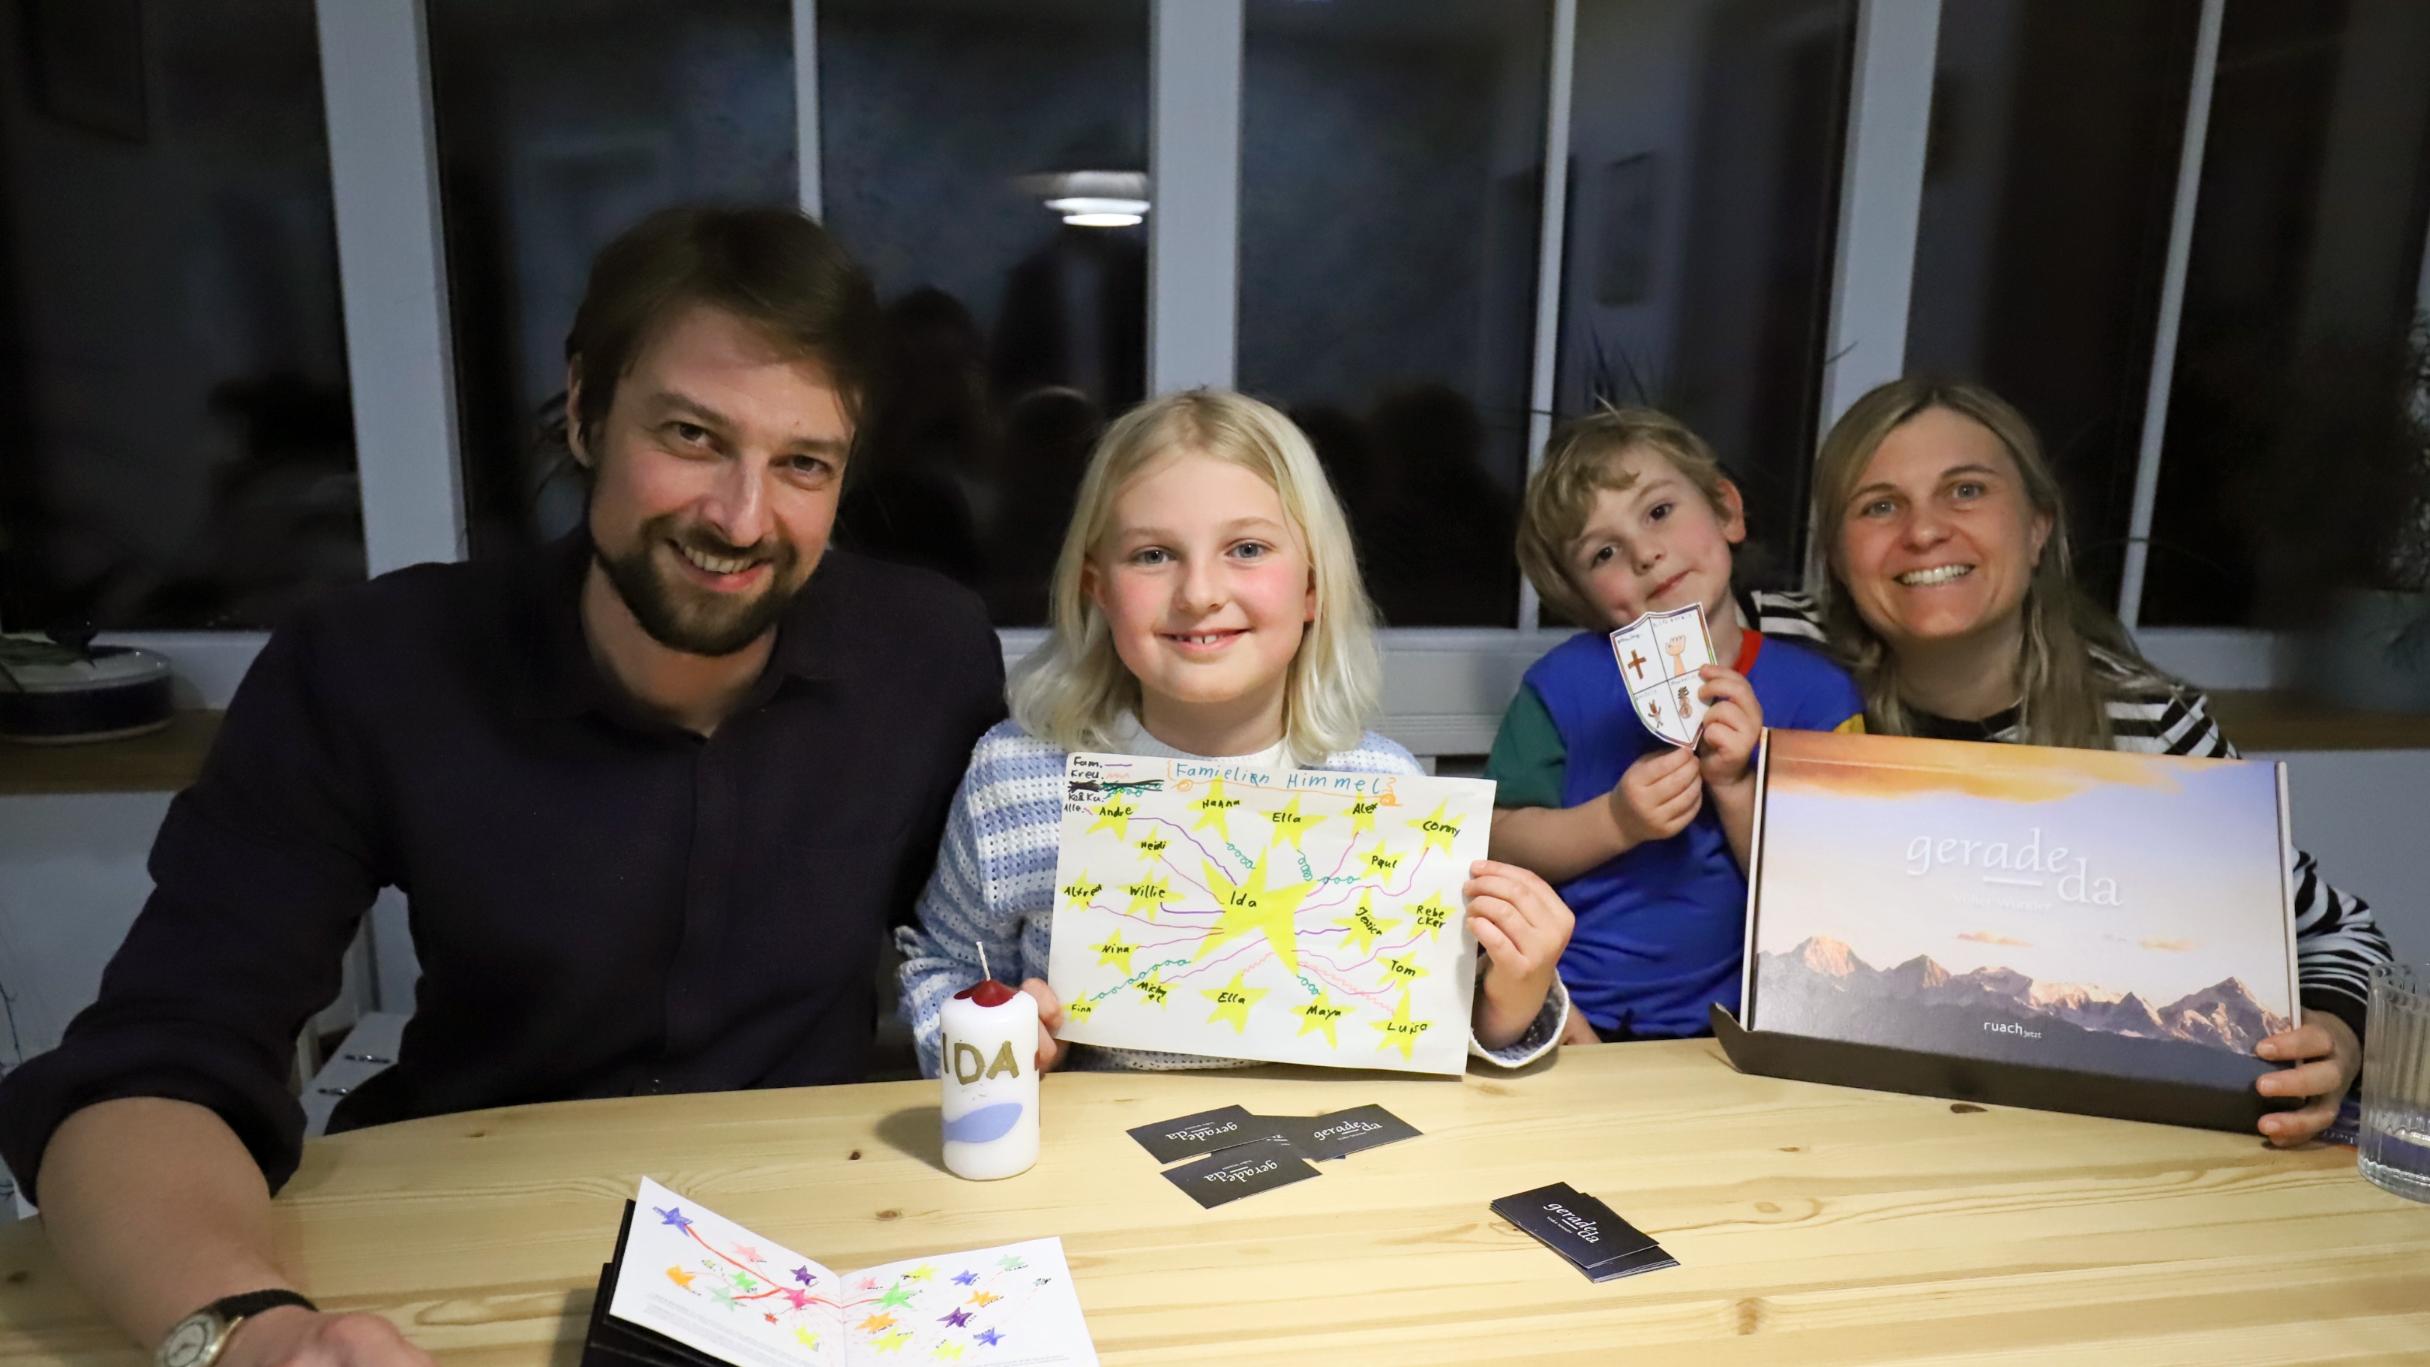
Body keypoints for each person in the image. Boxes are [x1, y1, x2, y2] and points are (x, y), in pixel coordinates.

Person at [0, 206, 1006, 1366]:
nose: (741, 516)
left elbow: (1000, 947)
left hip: (817, 1246)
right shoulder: (373, 665)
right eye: (689, 434)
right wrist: (254, 1333)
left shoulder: (927, 655)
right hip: (456, 1241)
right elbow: (150, 1062)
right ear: (583, 407)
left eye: (803, 464)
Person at [1751, 377, 2393, 1146]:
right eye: (1879, 504)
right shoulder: (1762, 665)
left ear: (2037, 528)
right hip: (1806, 1126)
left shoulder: (2152, 726)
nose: (1923, 531)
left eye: (1965, 490)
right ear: (1836, 554)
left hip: (2064, 1145)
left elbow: (2335, 932)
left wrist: (2338, 1037)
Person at [897, 389, 1574, 1074]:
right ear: (1096, 588)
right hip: (1089, 1166)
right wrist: (995, 1037)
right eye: (1154, 555)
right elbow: (939, 963)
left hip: (1343, 1157)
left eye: (1246, 548)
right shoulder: (1015, 783)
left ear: (1312, 587)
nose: (1198, 592)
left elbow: (1432, 1024)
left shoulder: (1383, 791)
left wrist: (1514, 993)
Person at [1486, 406, 1862, 1045]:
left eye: (1659, 511)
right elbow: (1494, 843)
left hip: (1740, 1030)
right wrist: (1615, 822)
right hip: (1566, 1011)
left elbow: (1837, 898)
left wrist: (1739, 788)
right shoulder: (1562, 686)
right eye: (1604, 551)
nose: (1645, 553)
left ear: (1726, 511)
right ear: (1582, 596)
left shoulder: (1820, 697)